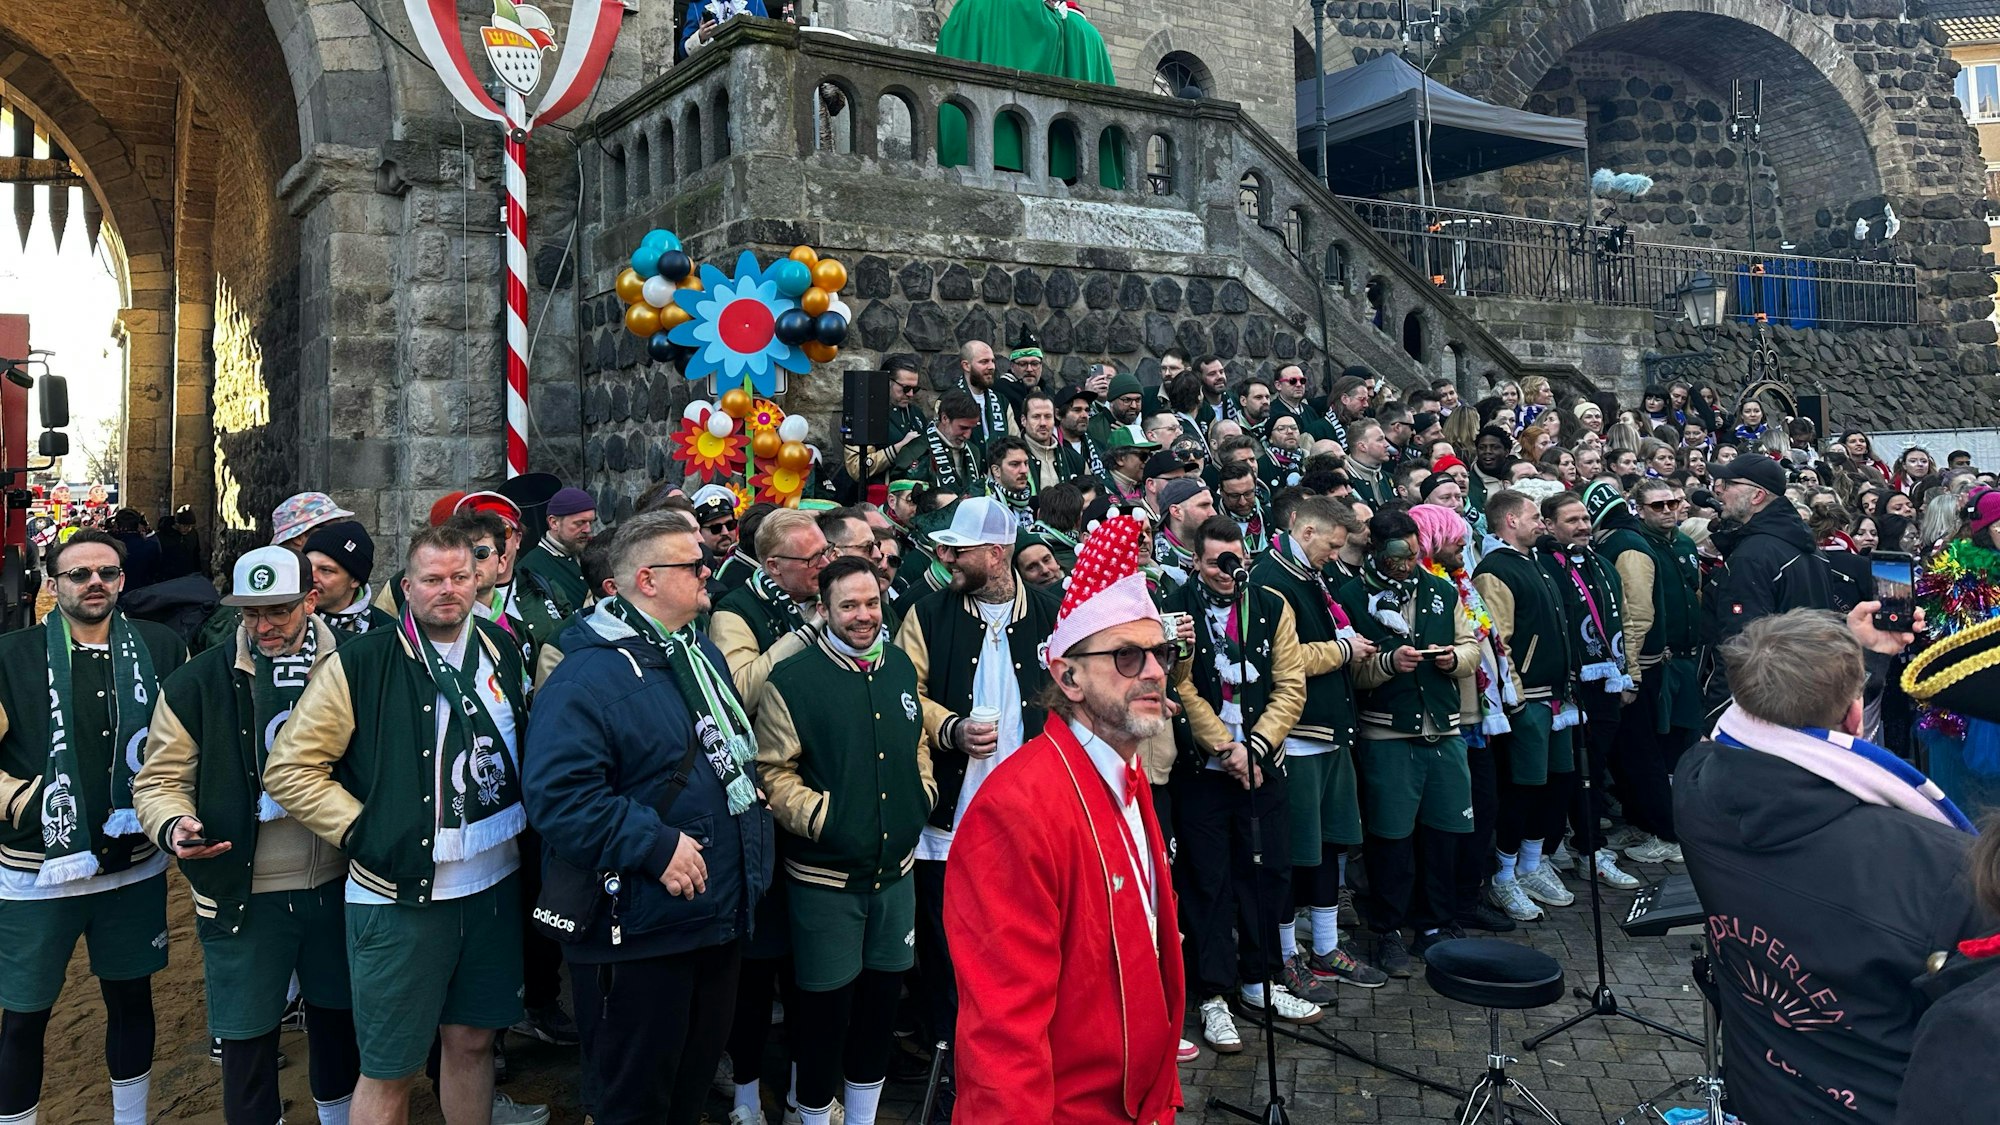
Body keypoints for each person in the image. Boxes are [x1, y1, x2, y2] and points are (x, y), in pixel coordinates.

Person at [264, 524, 537, 1125]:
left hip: (494, 886)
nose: (449, 590)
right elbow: (289, 769)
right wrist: (368, 832)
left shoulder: (501, 646)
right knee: (390, 1068)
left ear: (480, 579)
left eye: (460, 577)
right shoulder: (361, 662)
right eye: (433, 579)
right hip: (401, 896)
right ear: (407, 587)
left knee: (473, 1043)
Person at [1678, 608, 1980, 1125]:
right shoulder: (1939, 863)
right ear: (1855, 718)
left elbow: (1736, 728)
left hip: (1761, 1093)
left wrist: (1843, 659)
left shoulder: (1694, 787)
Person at [522, 512, 772, 1125]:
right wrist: (654, 845)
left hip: (713, 917)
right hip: (637, 932)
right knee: (634, 1103)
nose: (708, 571)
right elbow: (558, 797)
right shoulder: (585, 676)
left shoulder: (697, 653)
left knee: (687, 1094)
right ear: (648, 580)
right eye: (693, 564)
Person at [946, 512, 1184, 1122]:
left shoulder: (1126, 772)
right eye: (1126, 656)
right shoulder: (1016, 808)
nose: (1155, 671)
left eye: (1160, 652)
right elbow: (1001, 1038)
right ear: (1068, 676)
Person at [132, 545, 359, 1125]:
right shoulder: (198, 681)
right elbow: (159, 780)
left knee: (340, 1025)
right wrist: (174, 823)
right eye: (251, 613)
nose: (264, 627)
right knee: (247, 1039)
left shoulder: (357, 663)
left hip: (342, 880)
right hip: (242, 890)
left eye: (279, 610)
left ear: (311, 600)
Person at [0, 530, 187, 1125]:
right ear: (52, 584)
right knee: (24, 1016)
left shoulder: (161, 646)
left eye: (106, 572)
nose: (94, 583)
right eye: (78, 574)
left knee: (131, 1000)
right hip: (37, 867)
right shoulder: (12, 656)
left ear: (122, 580)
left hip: (132, 863)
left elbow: (187, 741)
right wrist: (24, 801)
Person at [894, 497, 1060, 1112]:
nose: (945, 557)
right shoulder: (926, 612)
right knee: (948, 955)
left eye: (957, 549)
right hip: (952, 816)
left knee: (1025, 948)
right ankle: (955, 1075)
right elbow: (903, 690)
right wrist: (951, 728)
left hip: (1031, 818)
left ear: (995, 554)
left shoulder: (1050, 610)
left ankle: (1023, 1072)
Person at [753, 557, 931, 1125]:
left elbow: (915, 742)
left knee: (880, 1012)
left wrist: (922, 792)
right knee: (824, 1017)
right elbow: (773, 771)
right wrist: (825, 821)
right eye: (848, 605)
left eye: (871, 603)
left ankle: (862, 1118)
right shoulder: (792, 681)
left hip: (896, 874)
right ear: (822, 610)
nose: (863, 615)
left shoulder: (899, 664)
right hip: (825, 881)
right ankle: (811, 1115)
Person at [1168, 515, 1319, 1048]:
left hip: (1262, 765)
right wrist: (1225, 748)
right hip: (1203, 772)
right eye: (1216, 563)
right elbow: (1179, 687)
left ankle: (1260, 981)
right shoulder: (1176, 606)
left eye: (1235, 561)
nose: (1227, 572)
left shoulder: (1271, 604)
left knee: (1268, 874)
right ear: (1196, 561)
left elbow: (1290, 685)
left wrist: (1254, 747)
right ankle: (1213, 994)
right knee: (1207, 882)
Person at [1247, 498, 1388, 991]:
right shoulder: (1271, 577)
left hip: (1331, 732)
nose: (1335, 554)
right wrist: (1344, 650)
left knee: (1329, 846)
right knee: (1292, 853)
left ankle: (1326, 947)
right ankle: (1286, 955)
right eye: (1331, 545)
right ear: (1306, 532)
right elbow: (1275, 658)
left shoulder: (1309, 573)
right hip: (1298, 737)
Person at [1472, 490, 1579, 923]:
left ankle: (1533, 864)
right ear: (1511, 521)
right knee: (1523, 787)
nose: (1542, 523)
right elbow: (1500, 641)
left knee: (1557, 781)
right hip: (1528, 698)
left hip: (1556, 695)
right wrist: (1513, 698)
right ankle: (1504, 874)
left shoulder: (1536, 561)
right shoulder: (1495, 570)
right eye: (1535, 516)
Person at [1537, 493, 1642, 890]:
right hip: (1565, 686)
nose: (1583, 526)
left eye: (1585, 518)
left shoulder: (1601, 564)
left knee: (1594, 770)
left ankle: (1590, 849)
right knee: (1562, 774)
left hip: (1605, 681)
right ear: (1549, 525)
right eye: (1572, 520)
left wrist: (1628, 673)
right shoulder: (1545, 565)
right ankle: (1551, 849)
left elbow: (1624, 619)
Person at [1703, 452, 1844, 714]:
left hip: (1766, 702)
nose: (1719, 490)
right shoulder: (1807, 548)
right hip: (1809, 690)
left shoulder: (1752, 556)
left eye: (1729, 484)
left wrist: (1718, 716)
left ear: (1757, 496)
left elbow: (1741, 644)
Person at [307, 522, 396, 636]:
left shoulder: (385, 633)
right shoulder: (288, 618)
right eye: (307, 566)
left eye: (326, 570)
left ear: (355, 580)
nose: (311, 577)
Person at [515, 487, 595, 614]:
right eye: (580, 523)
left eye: (591, 522)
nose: (588, 529)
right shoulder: (528, 568)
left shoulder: (595, 553)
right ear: (554, 523)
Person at [892, 390, 986, 496]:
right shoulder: (916, 453)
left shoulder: (973, 451)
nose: (967, 435)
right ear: (945, 418)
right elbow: (900, 497)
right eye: (963, 428)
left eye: (972, 428)